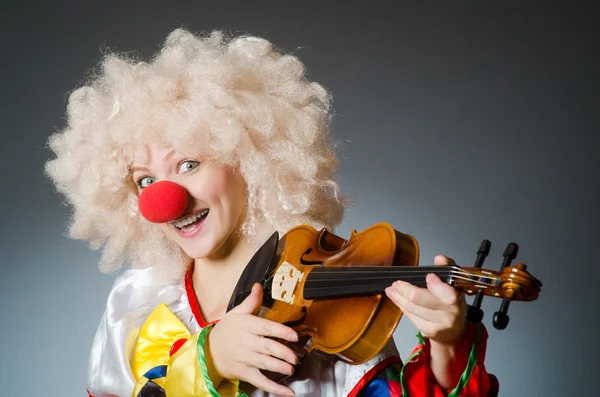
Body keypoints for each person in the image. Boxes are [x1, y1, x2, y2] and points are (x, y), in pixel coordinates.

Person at [45, 28, 495, 397]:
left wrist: (450, 346)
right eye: (145, 180)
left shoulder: (329, 310)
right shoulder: (135, 301)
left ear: (248, 157)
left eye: (188, 164)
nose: (164, 200)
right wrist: (207, 360)